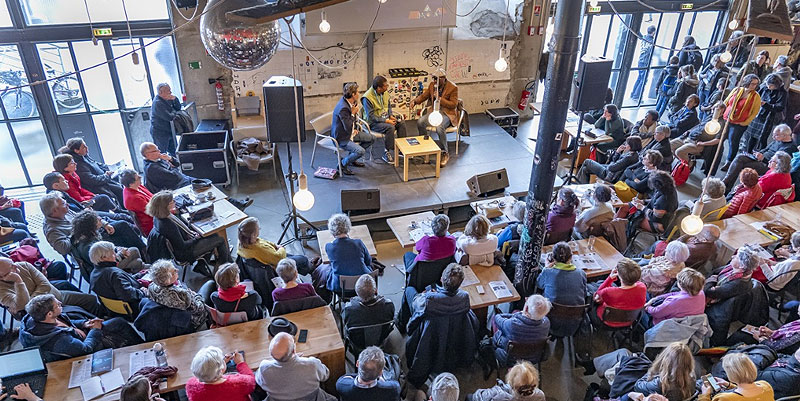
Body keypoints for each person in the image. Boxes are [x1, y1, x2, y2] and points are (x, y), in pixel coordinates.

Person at [19, 293, 142, 362]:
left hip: (78, 335)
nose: (61, 304)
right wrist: (95, 329)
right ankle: (143, 347)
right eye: (57, 305)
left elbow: (67, 321)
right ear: (49, 314)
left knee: (118, 322)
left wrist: (83, 324)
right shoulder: (58, 341)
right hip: (81, 351)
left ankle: (141, 345)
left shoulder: (37, 317)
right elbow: (85, 349)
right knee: (118, 325)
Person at [139, 142, 251, 210]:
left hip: (181, 180)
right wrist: (174, 168)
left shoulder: (158, 159)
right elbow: (174, 177)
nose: (159, 151)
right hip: (176, 187)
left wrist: (170, 159)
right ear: (148, 155)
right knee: (207, 189)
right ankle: (235, 204)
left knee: (209, 185)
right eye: (156, 150)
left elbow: (177, 164)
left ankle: (235, 204)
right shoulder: (152, 168)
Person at [40, 192, 144, 257]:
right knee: (123, 233)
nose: (67, 204)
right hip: (89, 245)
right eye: (63, 204)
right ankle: (139, 256)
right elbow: (63, 249)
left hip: (94, 233)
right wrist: (82, 231)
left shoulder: (65, 211)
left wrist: (104, 223)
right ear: (54, 211)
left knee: (122, 224)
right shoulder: (52, 230)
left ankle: (143, 252)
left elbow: (84, 217)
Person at [147, 191, 231, 269]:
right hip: (185, 253)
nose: (175, 202)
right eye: (172, 201)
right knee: (220, 240)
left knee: (213, 235)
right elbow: (182, 245)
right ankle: (224, 266)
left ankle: (201, 266)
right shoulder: (168, 225)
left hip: (183, 244)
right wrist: (196, 238)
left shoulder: (157, 217)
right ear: (166, 206)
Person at [0, 256, 102, 317]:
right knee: (80, 314)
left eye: (12, 263)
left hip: (56, 295)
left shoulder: (23, 265)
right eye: (11, 268)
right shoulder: (1, 290)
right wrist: (18, 281)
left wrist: (30, 301)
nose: (16, 266)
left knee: (91, 300)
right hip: (46, 311)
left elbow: (45, 285)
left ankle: (102, 317)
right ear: (2, 277)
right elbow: (23, 305)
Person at [256, 332, 335, 401]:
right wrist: (299, 359)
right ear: (294, 350)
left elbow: (259, 381)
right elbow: (326, 375)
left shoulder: (264, 368)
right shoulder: (311, 365)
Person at [724, 124, 796, 192]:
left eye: (776, 135)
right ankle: (726, 183)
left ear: (784, 135)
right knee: (740, 157)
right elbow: (766, 149)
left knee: (740, 165)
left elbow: (778, 165)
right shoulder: (778, 140)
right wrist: (758, 153)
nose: (773, 137)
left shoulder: (789, 148)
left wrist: (763, 159)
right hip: (761, 159)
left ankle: (726, 186)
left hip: (768, 165)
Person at [312, 214, 372, 296]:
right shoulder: (358, 243)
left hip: (341, 287)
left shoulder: (329, 247)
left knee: (326, 270)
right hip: (363, 284)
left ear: (332, 231)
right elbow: (368, 261)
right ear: (348, 228)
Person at [43, 172, 132, 226]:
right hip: (84, 215)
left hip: (83, 209)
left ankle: (116, 214)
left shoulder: (59, 192)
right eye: (63, 180)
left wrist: (83, 204)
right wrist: (85, 209)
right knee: (121, 217)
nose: (66, 181)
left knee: (104, 199)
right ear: (56, 185)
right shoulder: (57, 198)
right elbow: (71, 212)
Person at [71, 210, 146, 273]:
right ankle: (144, 267)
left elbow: (106, 249)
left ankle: (141, 269)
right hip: (105, 270)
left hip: (108, 259)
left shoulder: (89, 234)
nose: (100, 218)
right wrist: (121, 254)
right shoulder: (89, 247)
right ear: (91, 226)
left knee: (137, 262)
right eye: (97, 219)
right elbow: (104, 264)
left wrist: (118, 249)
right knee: (134, 250)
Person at [236, 217, 315, 275]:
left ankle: (305, 268)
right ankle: (313, 270)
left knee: (295, 257)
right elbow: (279, 259)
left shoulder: (243, 241)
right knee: (303, 259)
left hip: (272, 255)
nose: (259, 229)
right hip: (276, 264)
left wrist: (275, 246)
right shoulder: (259, 250)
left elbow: (263, 241)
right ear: (253, 234)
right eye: (258, 229)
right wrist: (281, 248)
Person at [147, 259, 208, 330]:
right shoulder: (181, 294)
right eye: (174, 272)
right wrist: (197, 296)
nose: (177, 270)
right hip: (190, 321)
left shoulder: (151, 287)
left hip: (170, 321)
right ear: (167, 280)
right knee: (209, 284)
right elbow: (199, 309)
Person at [492, 295, 551, 366]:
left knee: (494, 320)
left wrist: (515, 315)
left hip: (510, 359)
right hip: (534, 358)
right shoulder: (546, 323)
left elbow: (497, 317)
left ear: (526, 308)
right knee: (515, 311)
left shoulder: (512, 324)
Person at [88, 241, 147, 313]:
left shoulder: (94, 273)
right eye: (113, 254)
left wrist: (139, 275)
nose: (116, 256)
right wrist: (142, 292)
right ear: (103, 257)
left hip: (115, 310)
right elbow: (128, 295)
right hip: (136, 306)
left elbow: (122, 283)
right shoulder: (114, 274)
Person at [63, 137, 125, 205]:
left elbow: (96, 164)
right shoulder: (78, 164)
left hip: (103, 179)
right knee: (119, 190)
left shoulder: (84, 156)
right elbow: (91, 180)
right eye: (84, 147)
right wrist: (106, 176)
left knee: (120, 181)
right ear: (76, 150)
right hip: (97, 186)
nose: (87, 148)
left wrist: (110, 167)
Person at [414, 74, 458, 167]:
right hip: (434, 113)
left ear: (443, 79)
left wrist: (440, 99)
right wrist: (414, 102)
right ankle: (425, 145)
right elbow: (423, 96)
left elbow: (453, 104)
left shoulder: (453, 87)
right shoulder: (432, 85)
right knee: (420, 122)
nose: (434, 81)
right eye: (433, 79)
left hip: (447, 114)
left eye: (436, 79)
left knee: (439, 126)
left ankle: (444, 152)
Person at [721, 74, 762, 171]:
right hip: (726, 119)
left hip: (739, 124)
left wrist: (745, 122)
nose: (754, 86)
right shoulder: (737, 90)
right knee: (720, 138)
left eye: (756, 84)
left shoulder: (755, 96)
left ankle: (729, 161)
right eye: (752, 84)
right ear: (747, 82)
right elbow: (727, 102)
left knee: (733, 142)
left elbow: (754, 113)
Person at [331, 82, 374, 175]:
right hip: (342, 138)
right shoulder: (343, 108)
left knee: (371, 139)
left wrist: (353, 127)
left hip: (350, 132)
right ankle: (342, 164)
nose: (359, 94)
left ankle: (351, 158)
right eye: (358, 92)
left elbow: (349, 123)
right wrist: (353, 113)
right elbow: (347, 127)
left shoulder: (348, 102)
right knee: (361, 151)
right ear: (353, 94)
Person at [363, 76, 407, 165]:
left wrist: (390, 115)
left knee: (401, 123)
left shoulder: (385, 92)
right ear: (379, 88)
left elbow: (388, 105)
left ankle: (402, 148)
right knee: (390, 127)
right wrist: (386, 121)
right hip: (373, 123)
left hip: (386, 118)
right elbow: (371, 117)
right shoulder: (367, 98)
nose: (387, 87)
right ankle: (387, 152)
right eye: (385, 86)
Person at [52, 153, 118, 213]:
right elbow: (77, 197)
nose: (75, 164)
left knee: (102, 199)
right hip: (82, 204)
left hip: (84, 198)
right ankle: (117, 211)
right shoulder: (65, 181)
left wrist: (92, 195)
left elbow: (80, 189)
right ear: (65, 168)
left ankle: (107, 215)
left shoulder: (73, 173)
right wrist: (90, 198)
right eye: (72, 163)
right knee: (104, 197)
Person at [592, 258, 647, 328]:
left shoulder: (609, 292)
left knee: (592, 297)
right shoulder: (642, 287)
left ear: (619, 276)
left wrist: (610, 278)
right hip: (629, 320)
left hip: (607, 321)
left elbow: (597, 294)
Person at [630, 342, 696, 401]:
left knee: (623, 352)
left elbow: (637, 386)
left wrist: (653, 369)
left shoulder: (659, 384)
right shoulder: (692, 380)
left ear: (666, 361)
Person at [186, 345, 255, 401]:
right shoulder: (239, 383)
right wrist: (240, 363)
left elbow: (205, 373)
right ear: (221, 369)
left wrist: (217, 365)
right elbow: (251, 381)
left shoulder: (191, 385)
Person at [699, 353, 774, 401]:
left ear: (731, 374)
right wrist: (729, 385)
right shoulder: (766, 385)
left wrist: (705, 395)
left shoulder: (724, 398)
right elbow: (746, 394)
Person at [336, 346, 401, 401]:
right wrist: (382, 381)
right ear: (381, 372)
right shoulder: (393, 388)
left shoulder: (342, 384)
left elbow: (345, 378)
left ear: (357, 363)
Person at [744, 74, 788, 153]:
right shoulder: (764, 88)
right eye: (768, 84)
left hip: (769, 117)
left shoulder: (782, 93)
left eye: (771, 85)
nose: (769, 87)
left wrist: (766, 105)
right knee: (752, 136)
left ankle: (761, 154)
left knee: (762, 138)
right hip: (758, 114)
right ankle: (748, 152)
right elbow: (756, 95)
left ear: (776, 85)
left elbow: (780, 107)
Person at [577, 136, 642, 184]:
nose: (625, 145)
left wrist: (613, 161)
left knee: (587, 161)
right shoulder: (634, 154)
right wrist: (617, 152)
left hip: (610, 175)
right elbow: (615, 162)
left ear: (630, 146)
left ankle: (578, 181)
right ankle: (580, 184)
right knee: (585, 169)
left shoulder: (629, 158)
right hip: (611, 170)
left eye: (627, 144)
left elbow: (611, 168)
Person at [470, 360, 546, 401]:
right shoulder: (540, 395)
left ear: (511, 381)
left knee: (469, 397)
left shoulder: (500, 395)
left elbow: (477, 397)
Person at [149, 83, 182, 156]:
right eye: (168, 91)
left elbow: (178, 108)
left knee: (174, 151)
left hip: (169, 131)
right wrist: (174, 112)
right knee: (161, 153)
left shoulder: (167, 99)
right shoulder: (158, 103)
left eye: (170, 90)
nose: (170, 92)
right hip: (160, 132)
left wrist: (175, 99)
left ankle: (174, 165)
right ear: (160, 92)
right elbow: (169, 117)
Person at [120, 169, 154, 236]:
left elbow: (152, 197)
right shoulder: (133, 198)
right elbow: (153, 212)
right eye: (138, 178)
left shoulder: (137, 186)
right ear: (131, 184)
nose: (141, 177)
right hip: (152, 222)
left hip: (154, 210)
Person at [697, 54, 731, 120]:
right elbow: (700, 74)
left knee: (707, 105)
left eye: (718, 62)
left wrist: (717, 73)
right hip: (704, 88)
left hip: (712, 91)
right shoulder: (710, 66)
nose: (716, 63)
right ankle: (699, 119)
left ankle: (703, 120)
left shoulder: (725, 70)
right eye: (715, 61)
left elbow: (727, 78)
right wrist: (703, 76)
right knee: (701, 105)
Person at [630, 26, 656, 100]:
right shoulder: (651, 41)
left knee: (639, 78)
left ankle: (633, 94)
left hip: (640, 60)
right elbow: (649, 51)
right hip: (645, 62)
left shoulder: (644, 37)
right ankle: (636, 96)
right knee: (643, 80)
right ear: (653, 32)